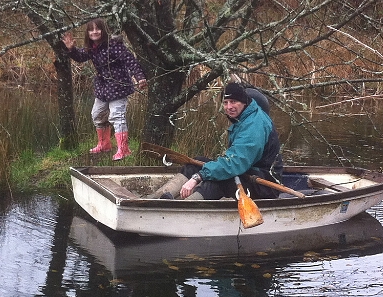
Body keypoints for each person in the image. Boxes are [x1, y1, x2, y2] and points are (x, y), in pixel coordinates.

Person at [152, 82, 283, 200]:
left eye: (233, 101)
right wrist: (200, 172)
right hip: (245, 173)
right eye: (225, 102)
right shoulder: (244, 117)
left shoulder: (255, 125)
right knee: (195, 164)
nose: (229, 107)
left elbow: (235, 162)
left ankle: (183, 208)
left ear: (244, 102)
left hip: (264, 184)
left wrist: (198, 177)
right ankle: (156, 199)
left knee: (218, 182)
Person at [63, 19, 147, 160]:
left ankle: (124, 150)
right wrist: (71, 49)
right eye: (91, 30)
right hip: (103, 89)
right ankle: (104, 144)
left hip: (119, 86)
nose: (94, 32)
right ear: (88, 33)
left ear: (103, 30)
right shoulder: (92, 48)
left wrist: (140, 77)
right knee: (97, 115)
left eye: (98, 29)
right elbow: (81, 56)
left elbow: (130, 60)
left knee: (117, 116)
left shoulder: (114, 45)